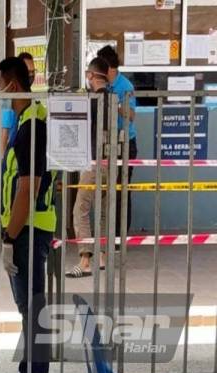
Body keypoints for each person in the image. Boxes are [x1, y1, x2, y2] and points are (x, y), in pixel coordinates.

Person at [0, 57, 57, 373]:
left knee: (34, 314)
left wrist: (8, 237)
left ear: (13, 86)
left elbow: (27, 189)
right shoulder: (24, 121)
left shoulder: (32, 126)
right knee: (27, 310)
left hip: (28, 231)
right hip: (25, 230)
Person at [66, 57, 110, 278]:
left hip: (93, 160)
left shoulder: (93, 100)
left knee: (80, 208)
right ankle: (102, 258)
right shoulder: (113, 98)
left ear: (92, 75)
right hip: (111, 161)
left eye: (87, 74)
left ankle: (84, 260)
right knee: (102, 211)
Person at [97, 45, 137, 238]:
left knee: (121, 191)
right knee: (105, 190)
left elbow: (132, 115)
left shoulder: (125, 86)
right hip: (105, 142)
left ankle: (120, 235)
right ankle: (106, 233)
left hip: (125, 143)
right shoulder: (100, 83)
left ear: (109, 68)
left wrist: (116, 104)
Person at [0, 52, 37, 158]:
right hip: (14, 159)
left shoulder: (33, 98)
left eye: (33, 71)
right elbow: (4, 135)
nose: (31, 75)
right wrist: (3, 165)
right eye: (27, 71)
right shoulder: (11, 98)